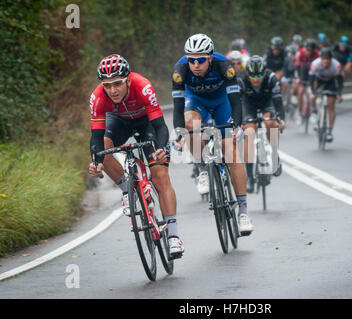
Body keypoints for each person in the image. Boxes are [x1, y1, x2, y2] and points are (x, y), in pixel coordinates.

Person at [88, 54, 184, 257]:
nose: (112, 90)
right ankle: (127, 189)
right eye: (107, 85)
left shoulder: (143, 86)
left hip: (146, 124)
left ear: (128, 80)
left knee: (160, 176)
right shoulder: (97, 97)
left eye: (117, 84)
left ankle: (174, 236)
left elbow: (160, 126)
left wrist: (160, 148)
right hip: (119, 122)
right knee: (104, 147)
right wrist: (96, 163)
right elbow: (95, 138)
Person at [171, 33, 254, 235]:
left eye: (200, 59)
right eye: (192, 59)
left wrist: (235, 125)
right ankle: (201, 169)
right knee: (190, 125)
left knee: (230, 151)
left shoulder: (224, 66)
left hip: (222, 101)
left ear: (210, 58)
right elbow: (177, 107)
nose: (196, 64)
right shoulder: (180, 71)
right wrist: (180, 132)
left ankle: (243, 211)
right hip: (196, 101)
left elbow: (236, 101)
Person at [238, 56, 285, 193]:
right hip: (248, 105)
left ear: (265, 73)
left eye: (259, 75)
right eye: (252, 75)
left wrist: (281, 119)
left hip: (267, 103)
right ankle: (250, 178)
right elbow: (237, 104)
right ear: (247, 73)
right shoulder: (240, 80)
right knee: (249, 132)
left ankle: (275, 155)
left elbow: (278, 101)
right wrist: (239, 122)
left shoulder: (271, 78)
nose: (256, 78)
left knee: (271, 122)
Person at [309, 47, 343, 143]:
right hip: (318, 81)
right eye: (324, 60)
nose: (326, 62)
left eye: (328, 60)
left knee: (331, 105)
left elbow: (340, 81)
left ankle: (329, 131)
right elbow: (311, 79)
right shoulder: (315, 64)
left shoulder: (336, 66)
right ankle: (314, 112)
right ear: (321, 59)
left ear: (331, 59)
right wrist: (313, 91)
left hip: (330, 83)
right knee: (313, 95)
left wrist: (339, 94)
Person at [295, 38, 319, 123]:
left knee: (313, 92)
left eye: (311, 50)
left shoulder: (317, 54)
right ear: (305, 48)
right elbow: (297, 66)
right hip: (303, 72)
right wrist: (298, 77)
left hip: (313, 73)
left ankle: (314, 110)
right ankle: (300, 113)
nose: (309, 52)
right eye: (307, 50)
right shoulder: (300, 53)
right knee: (300, 92)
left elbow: (319, 68)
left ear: (314, 50)